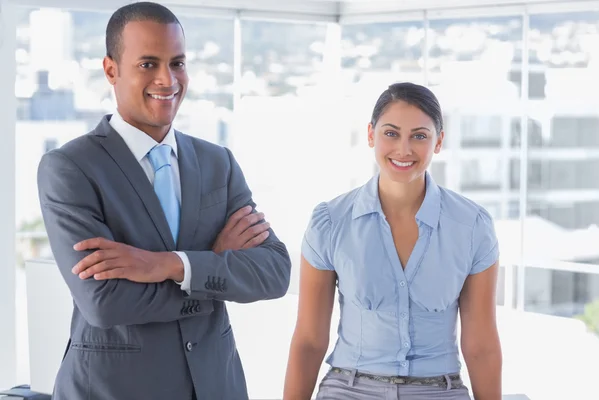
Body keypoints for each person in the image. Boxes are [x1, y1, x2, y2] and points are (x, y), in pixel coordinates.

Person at [37, 2, 291, 399]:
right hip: (114, 390)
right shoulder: (70, 168)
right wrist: (212, 269)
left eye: (177, 63)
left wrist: (166, 265)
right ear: (111, 70)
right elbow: (104, 303)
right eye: (148, 64)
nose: (167, 79)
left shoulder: (216, 162)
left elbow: (274, 272)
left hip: (215, 386)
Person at [284, 82, 502, 400]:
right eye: (391, 133)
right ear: (371, 134)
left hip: (438, 391)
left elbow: (481, 346)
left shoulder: (472, 227)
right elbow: (308, 340)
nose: (403, 149)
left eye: (419, 136)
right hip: (348, 389)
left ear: (438, 142)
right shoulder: (330, 223)